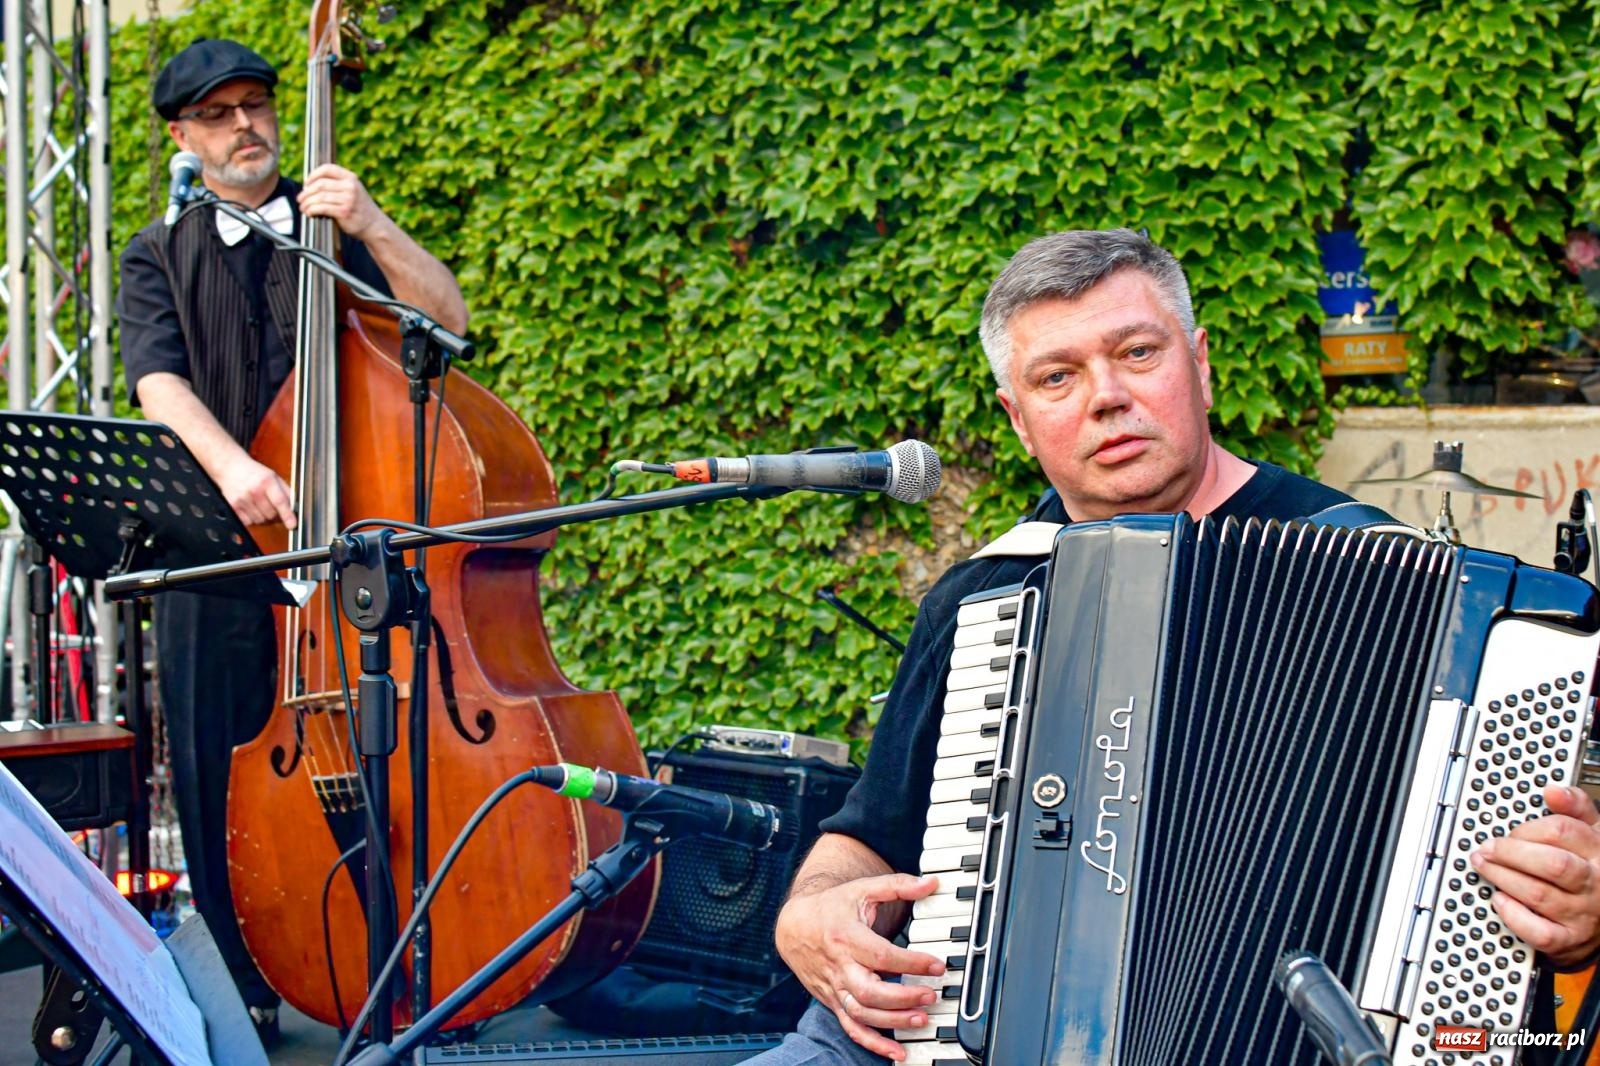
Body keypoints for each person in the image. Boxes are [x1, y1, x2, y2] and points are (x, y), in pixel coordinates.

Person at [746, 229, 1600, 1064]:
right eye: (1057, 377)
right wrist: (810, 911)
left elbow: (1536, 884)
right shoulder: (987, 595)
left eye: (1137, 353)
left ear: (1200, 365)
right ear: (1019, 420)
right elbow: (870, 834)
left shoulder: (1403, 586)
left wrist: (1580, 907)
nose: (1106, 396)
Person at [115, 38, 467, 1044]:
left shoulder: (332, 230)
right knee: (219, 762)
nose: (244, 126)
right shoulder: (158, 252)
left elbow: (448, 324)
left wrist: (371, 222)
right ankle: (247, 986)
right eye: (217, 114)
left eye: (256, 105)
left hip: (351, 547)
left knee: (395, 751)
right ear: (183, 136)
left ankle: (418, 959)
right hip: (222, 547)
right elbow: (157, 381)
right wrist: (235, 469)